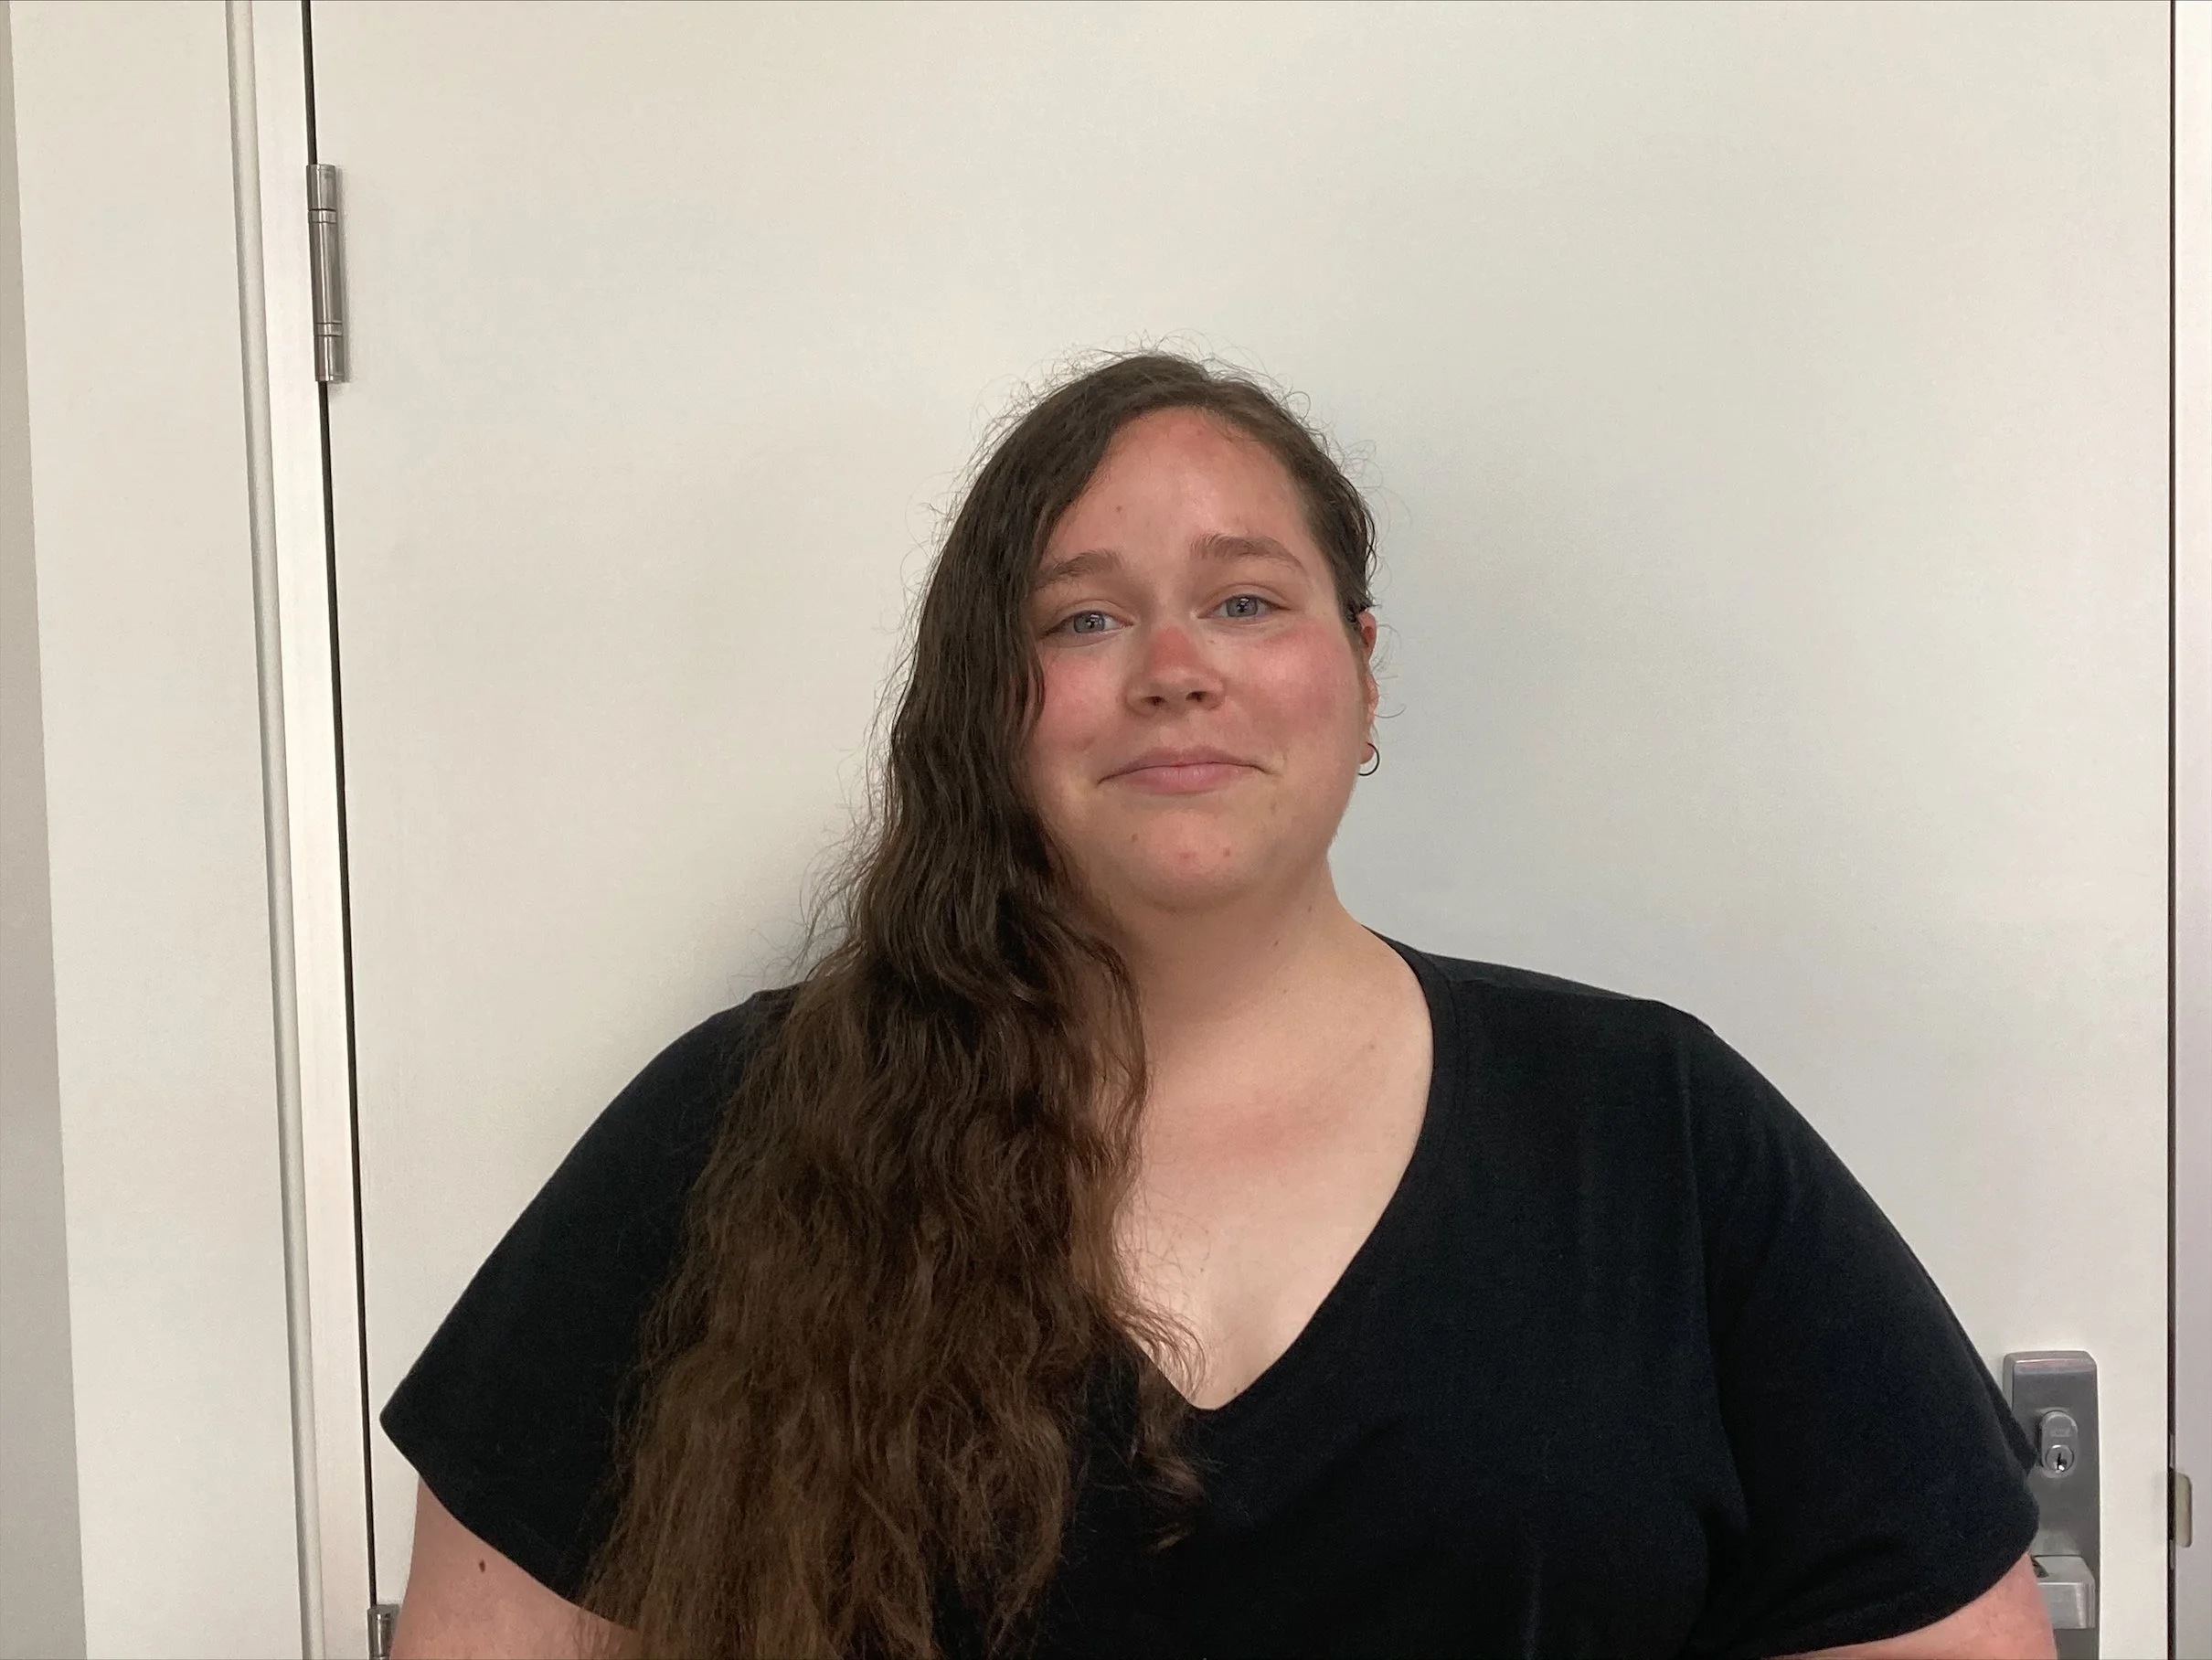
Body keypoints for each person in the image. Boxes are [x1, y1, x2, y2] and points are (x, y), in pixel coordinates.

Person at [384, 353, 2055, 1660]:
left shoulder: (1659, 1135)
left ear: (1365, 669)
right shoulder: (737, 1127)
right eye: (1084, 617)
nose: (1173, 664)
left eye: (1247, 599)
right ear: (994, 705)